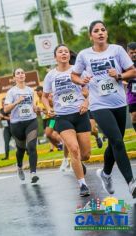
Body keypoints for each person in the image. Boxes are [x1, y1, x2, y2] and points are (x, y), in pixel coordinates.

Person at [71, 20, 136, 198]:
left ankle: (106, 174)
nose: (100, 33)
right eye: (96, 31)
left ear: (106, 33)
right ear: (90, 36)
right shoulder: (85, 55)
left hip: (119, 102)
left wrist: (120, 75)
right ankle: (131, 183)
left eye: (103, 30)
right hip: (99, 104)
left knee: (116, 142)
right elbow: (74, 75)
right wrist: (81, 81)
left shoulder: (117, 50)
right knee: (116, 139)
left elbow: (133, 71)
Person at [43, 44, 91, 197]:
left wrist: (86, 102)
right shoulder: (51, 75)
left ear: (69, 55)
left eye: (66, 52)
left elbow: (90, 89)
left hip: (81, 114)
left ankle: (77, 162)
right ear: (55, 57)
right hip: (62, 117)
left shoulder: (78, 71)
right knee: (74, 149)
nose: (63, 54)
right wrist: (48, 108)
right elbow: (44, 96)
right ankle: (82, 184)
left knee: (85, 155)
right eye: (60, 52)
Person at [4, 68, 39, 183]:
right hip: (17, 124)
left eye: (23, 72)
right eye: (18, 73)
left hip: (31, 121)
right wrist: (16, 102)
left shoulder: (30, 90)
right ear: (14, 78)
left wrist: (36, 108)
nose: (21, 75)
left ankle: (33, 173)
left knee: (32, 146)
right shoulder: (11, 92)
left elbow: (33, 105)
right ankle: (19, 167)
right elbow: (5, 109)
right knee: (21, 149)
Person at [35, 86, 63, 152]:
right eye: (36, 91)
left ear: (42, 91)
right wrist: (38, 111)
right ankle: (59, 147)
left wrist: (44, 110)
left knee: (49, 133)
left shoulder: (48, 99)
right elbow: (38, 114)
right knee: (48, 136)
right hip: (44, 120)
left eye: (38, 91)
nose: (37, 93)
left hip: (51, 118)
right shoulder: (37, 101)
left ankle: (64, 143)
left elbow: (53, 108)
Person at [126, 42, 136, 131]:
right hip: (132, 94)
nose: (134, 54)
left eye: (135, 52)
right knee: (134, 116)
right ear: (127, 53)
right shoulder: (124, 64)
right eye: (132, 53)